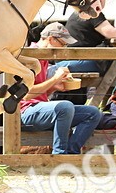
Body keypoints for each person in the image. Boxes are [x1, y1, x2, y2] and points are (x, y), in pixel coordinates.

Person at [18, 23, 102, 154]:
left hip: (38, 109)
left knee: (93, 113)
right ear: (51, 39)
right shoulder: (29, 56)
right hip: (23, 113)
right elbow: (25, 95)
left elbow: (39, 94)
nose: (64, 48)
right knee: (65, 107)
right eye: (62, 44)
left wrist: (54, 87)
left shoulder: (44, 58)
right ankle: (59, 154)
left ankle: (71, 153)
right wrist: (54, 79)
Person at [48, 0, 116, 76]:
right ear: (99, 0)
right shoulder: (92, 13)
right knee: (110, 66)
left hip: (67, 58)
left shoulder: (79, 12)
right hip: (76, 60)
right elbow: (111, 33)